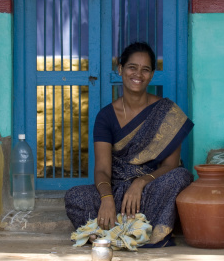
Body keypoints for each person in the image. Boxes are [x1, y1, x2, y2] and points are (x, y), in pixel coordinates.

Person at [65, 42, 194, 247]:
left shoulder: (167, 112)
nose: (138, 74)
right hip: (117, 194)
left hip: (151, 190)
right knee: (76, 196)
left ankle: (111, 232)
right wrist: (107, 198)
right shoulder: (106, 116)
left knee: (181, 176)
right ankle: (132, 231)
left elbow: (171, 166)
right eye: (132, 67)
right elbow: (102, 169)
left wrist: (141, 182)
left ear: (152, 75)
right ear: (120, 69)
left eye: (145, 70)